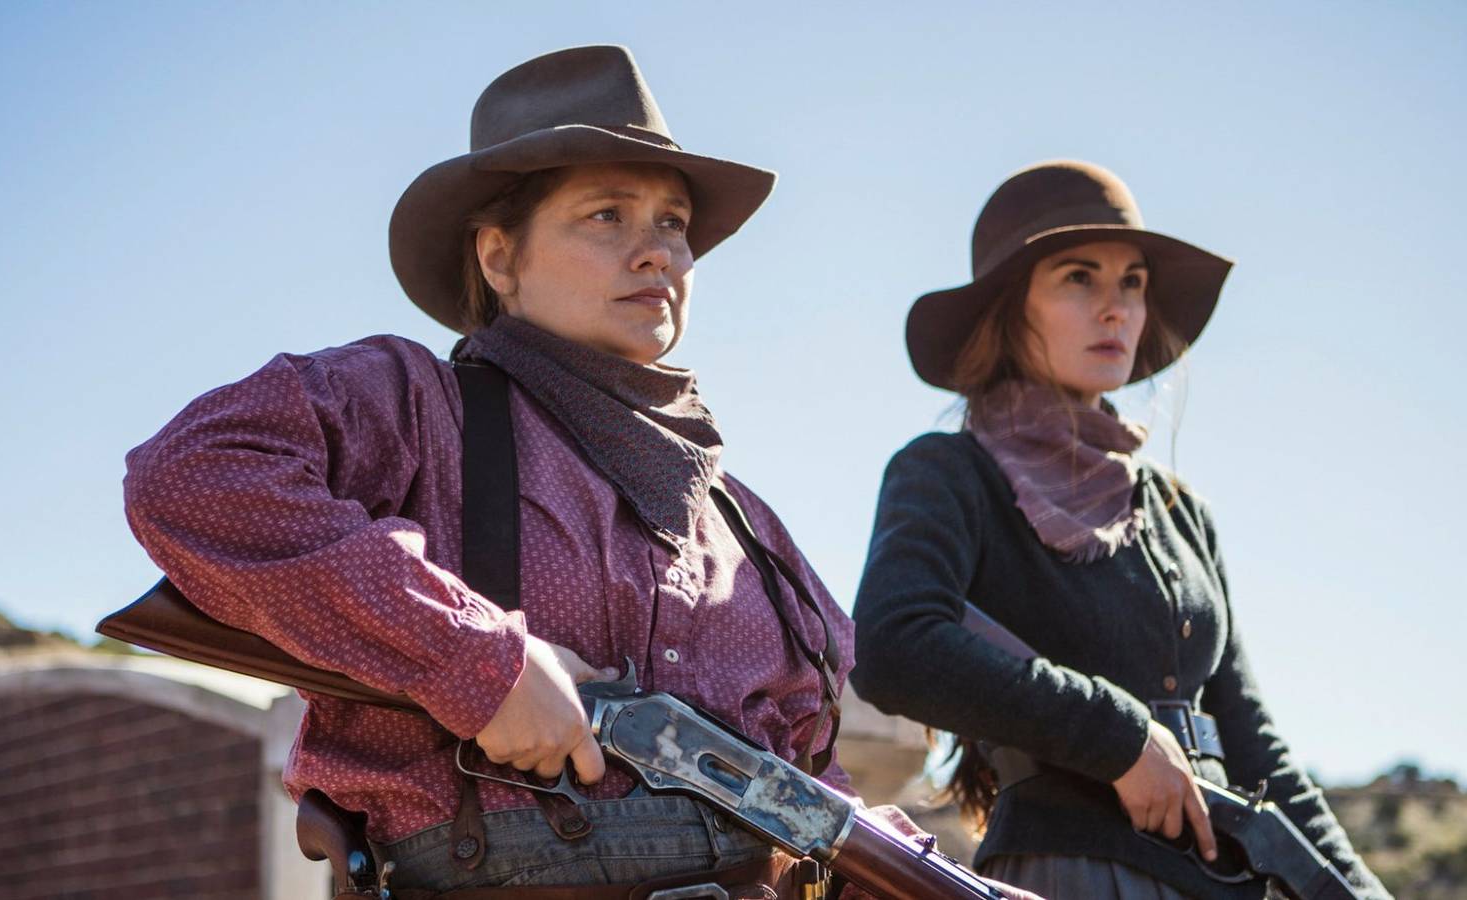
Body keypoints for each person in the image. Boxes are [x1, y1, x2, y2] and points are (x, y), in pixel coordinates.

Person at [123, 45, 1032, 898]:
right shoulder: (414, 406)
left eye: (673, 223)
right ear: (498, 256)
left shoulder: (751, 532)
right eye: (607, 215)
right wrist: (480, 661)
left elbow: (812, 793)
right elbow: (190, 475)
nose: (659, 251)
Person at [849, 160, 1390, 899]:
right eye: (1079, 278)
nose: (1116, 309)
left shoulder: (1179, 511)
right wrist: (1121, 739)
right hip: (1071, 875)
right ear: (1011, 310)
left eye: (1132, 283)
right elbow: (894, 645)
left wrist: (1359, 892)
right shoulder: (948, 472)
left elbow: (1254, 744)